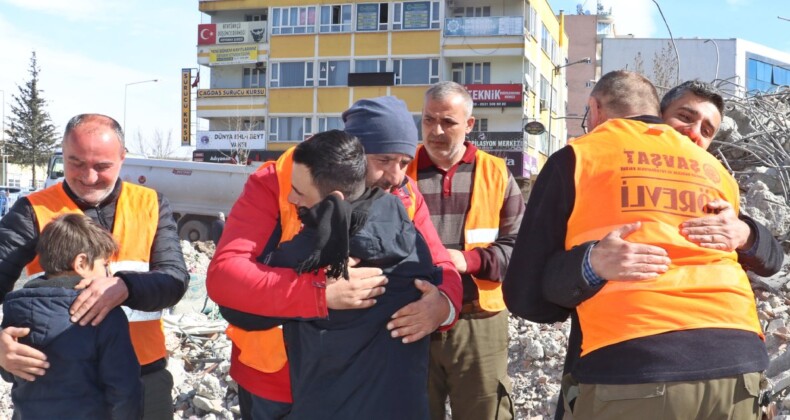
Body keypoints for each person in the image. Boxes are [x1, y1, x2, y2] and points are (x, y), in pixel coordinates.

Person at [504, 71, 772, 419]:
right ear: (658, 115)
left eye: (706, 129)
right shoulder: (717, 172)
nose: (693, 133)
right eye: (686, 118)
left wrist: (588, 269)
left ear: (594, 110)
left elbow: (526, 296)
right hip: (741, 363)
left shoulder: (579, 157)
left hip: (637, 363)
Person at [206, 96, 463, 419]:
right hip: (274, 379)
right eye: (384, 159)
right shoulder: (276, 181)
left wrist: (442, 306)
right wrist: (318, 293)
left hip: (361, 386)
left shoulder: (402, 194)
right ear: (353, 150)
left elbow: (443, 267)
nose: (396, 175)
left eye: (404, 161)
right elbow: (225, 277)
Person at [0, 113, 190, 420]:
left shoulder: (151, 204)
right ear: (62, 154)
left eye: (102, 166)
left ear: (123, 158)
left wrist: (125, 287)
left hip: (144, 377)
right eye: (75, 163)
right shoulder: (32, 211)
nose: (88, 177)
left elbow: (174, 280)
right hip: (59, 386)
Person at [405, 81, 524, 420]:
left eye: (448, 122)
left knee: (485, 411)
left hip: (478, 323)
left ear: (469, 125)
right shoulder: (401, 171)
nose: (436, 131)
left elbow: (519, 250)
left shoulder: (496, 173)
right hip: (412, 320)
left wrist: (468, 260)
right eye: (428, 120)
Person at [1, 213, 142, 419]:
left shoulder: (16, 306)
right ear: (81, 263)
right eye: (104, 265)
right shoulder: (104, 313)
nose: (108, 274)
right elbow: (124, 389)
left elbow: (10, 370)